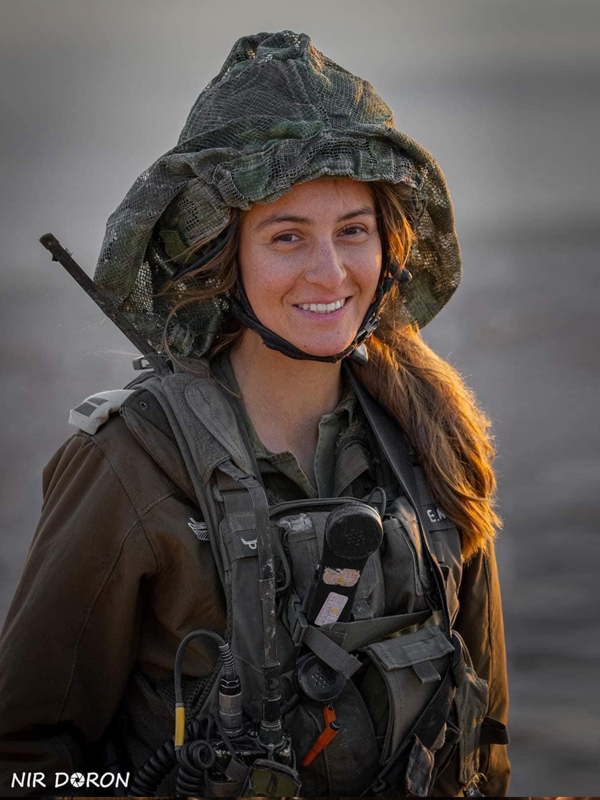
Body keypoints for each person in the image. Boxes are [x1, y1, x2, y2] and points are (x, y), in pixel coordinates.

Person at [0, 31, 510, 797]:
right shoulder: (132, 463)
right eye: (287, 237)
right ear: (219, 255)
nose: (329, 272)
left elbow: (487, 736)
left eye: (353, 231)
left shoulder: (432, 436)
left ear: (388, 246)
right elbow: (25, 757)